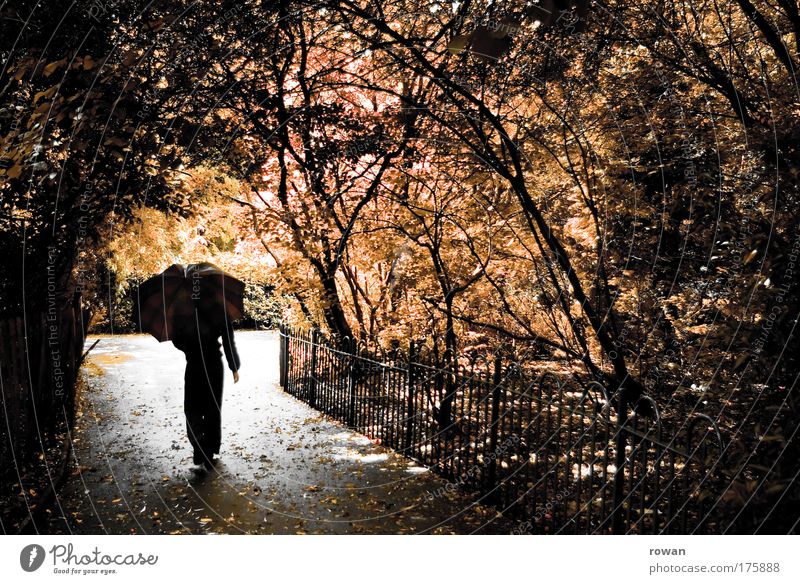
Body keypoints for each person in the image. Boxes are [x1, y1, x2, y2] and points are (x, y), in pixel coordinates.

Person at [171, 310, 240, 469]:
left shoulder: (183, 307)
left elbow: (176, 338)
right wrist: (233, 366)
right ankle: (207, 452)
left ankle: (199, 445)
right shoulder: (219, 307)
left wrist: (189, 347)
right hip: (213, 364)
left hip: (194, 364)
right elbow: (228, 339)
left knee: (192, 408)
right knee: (212, 409)